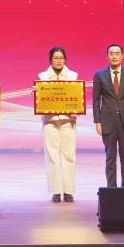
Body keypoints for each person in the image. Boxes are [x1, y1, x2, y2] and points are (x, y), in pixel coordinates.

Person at [91, 43, 124, 188]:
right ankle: (111, 190)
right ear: (107, 56)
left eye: (117, 53)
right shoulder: (99, 75)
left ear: (122, 56)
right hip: (108, 122)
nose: (114, 56)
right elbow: (95, 100)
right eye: (111, 54)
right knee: (110, 159)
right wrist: (97, 122)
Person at [37, 46, 78, 203]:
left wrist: (75, 110)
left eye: (61, 58)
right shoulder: (42, 77)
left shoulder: (73, 76)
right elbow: (41, 98)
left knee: (69, 155)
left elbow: (76, 97)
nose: (58, 60)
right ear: (50, 60)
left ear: (65, 60)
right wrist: (37, 94)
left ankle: (68, 191)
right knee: (52, 155)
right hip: (50, 120)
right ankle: (55, 191)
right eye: (55, 58)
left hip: (68, 120)